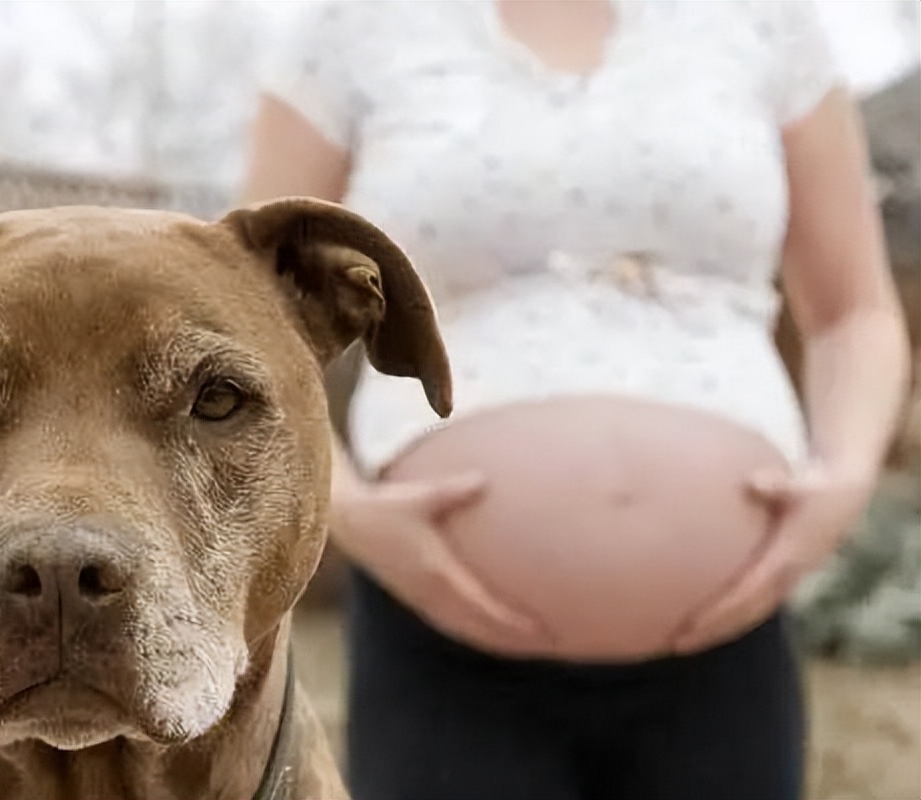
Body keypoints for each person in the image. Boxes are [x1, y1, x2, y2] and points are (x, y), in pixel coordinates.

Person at [240, 2, 910, 799]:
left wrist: (842, 482)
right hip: (438, 641)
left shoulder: (766, 25)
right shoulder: (356, 29)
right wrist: (347, 509)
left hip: (728, 635)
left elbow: (854, 315)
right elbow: (248, 313)